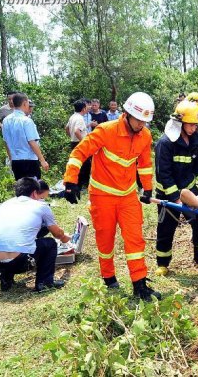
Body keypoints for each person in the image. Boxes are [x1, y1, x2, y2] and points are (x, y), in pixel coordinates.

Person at [62, 92, 161, 301]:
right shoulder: (105, 131)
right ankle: (108, 277)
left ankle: (140, 284)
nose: (142, 125)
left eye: (145, 121)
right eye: (139, 120)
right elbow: (79, 153)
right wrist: (71, 181)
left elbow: (144, 164)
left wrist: (148, 188)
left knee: (135, 240)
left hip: (128, 197)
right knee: (105, 241)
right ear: (126, 114)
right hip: (102, 196)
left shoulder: (145, 136)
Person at [154, 100, 198, 275]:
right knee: (166, 228)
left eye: (196, 125)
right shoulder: (165, 143)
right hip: (167, 194)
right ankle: (163, 263)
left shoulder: (194, 138)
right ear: (180, 123)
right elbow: (164, 175)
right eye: (191, 125)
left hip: (190, 189)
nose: (194, 128)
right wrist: (175, 197)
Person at [0, 178, 69, 292]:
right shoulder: (41, 206)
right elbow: (57, 233)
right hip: (20, 262)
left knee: (9, 239)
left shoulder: (4, 205)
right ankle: (44, 283)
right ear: (34, 192)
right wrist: (64, 238)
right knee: (50, 243)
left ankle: (6, 279)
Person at [2, 92, 49, 180]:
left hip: (16, 161)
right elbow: (32, 142)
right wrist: (42, 160)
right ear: (24, 103)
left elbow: (6, 142)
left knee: (21, 188)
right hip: (29, 161)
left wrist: (11, 159)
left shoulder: (6, 120)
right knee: (32, 189)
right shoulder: (26, 121)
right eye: (28, 103)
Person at [65, 100, 91, 189]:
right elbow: (77, 131)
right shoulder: (80, 118)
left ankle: (79, 184)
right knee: (85, 165)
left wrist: (71, 136)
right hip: (79, 143)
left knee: (77, 164)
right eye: (87, 106)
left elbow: (67, 128)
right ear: (83, 108)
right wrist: (84, 142)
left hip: (74, 142)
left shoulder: (73, 117)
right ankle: (82, 185)